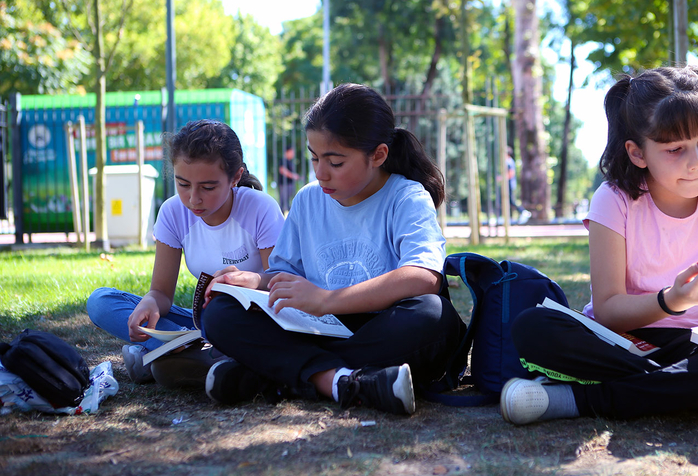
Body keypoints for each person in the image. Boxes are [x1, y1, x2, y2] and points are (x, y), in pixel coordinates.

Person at [500, 66, 698, 425]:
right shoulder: (614, 201)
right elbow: (607, 310)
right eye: (674, 149)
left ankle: (581, 400)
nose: (696, 161)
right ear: (638, 154)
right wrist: (673, 300)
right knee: (533, 327)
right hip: (620, 341)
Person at [199, 83, 464, 415]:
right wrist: (255, 281)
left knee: (435, 317)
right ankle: (340, 380)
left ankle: (272, 374)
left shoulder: (406, 196)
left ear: (378, 155)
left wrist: (327, 300)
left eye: (335, 162)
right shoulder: (309, 198)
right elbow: (285, 274)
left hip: (379, 329)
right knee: (221, 313)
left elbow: (424, 278)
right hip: (314, 330)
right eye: (314, 158)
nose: (320, 173)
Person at [86, 119, 285, 388]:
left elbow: (280, 282)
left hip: (253, 322)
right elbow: (161, 294)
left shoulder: (260, 208)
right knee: (101, 301)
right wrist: (150, 304)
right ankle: (195, 351)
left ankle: (169, 356)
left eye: (208, 187)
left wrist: (249, 279)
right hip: (202, 326)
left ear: (235, 177)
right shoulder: (172, 212)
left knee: (228, 322)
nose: (193, 199)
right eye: (183, 184)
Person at [504, 147, 531, 225]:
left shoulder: (509, 162)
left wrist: (502, 178)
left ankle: (523, 212)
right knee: (508, 201)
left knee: (511, 201)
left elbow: (511, 173)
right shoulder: (508, 161)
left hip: (509, 185)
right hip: (509, 184)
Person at [278, 147, 301, 213]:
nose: (293, 154)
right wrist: (293, 176)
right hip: (284, 184)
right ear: (288, 151)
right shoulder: (283, 160)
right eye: (292, 152)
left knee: (288, 201)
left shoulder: (289, 161)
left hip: (289, 184)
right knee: (283, 202)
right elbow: (282, 170)